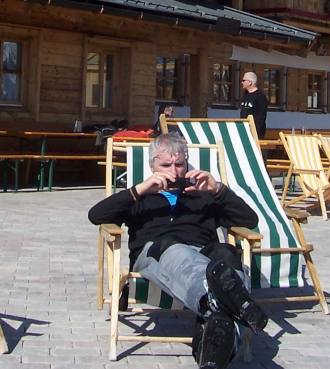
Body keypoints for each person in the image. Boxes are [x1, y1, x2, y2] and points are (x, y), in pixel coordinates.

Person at [88, 133, 266, 369]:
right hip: (157, 255)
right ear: (152, 166)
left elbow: (249, 220)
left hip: (204, 255)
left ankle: (211, 351)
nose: (174, 171)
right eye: (165, 165)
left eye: (179, 164)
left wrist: (217, 189)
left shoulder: (203, 195)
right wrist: (141, 189)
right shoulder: (140, 198)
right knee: (175, 248)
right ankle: (232, 301)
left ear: (186, 164)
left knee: (226, 253)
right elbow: (96, 215)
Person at [238, 72, 268, 140]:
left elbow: (261, 116)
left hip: (255, 131)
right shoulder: (245, 94)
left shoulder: (260, 96)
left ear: (250, 82)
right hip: (244, 129)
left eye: (243, 80)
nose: (242, 82)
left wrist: (255, 131)